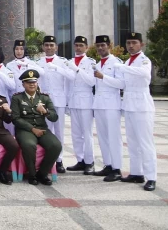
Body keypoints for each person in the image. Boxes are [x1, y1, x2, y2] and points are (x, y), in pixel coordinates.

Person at [114, 32, 157, 191]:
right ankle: (136, 172)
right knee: (132, 141)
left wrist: (123, 67)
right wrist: (103, 77)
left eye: (134, 42)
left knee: (145, 142)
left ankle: (151, 176)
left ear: (141, 44)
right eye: (128, 43)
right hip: (130, 104)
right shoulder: (128, 61)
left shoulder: (144, 60)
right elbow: (122, 83)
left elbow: (145, 74)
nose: (130, 46)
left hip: (142, 106)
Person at [11, 69, 61, 185]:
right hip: (25, 130)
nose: (32, 84)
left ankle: (42, 174)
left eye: (34, 82)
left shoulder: (44, 98)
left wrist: (45, 112)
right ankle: (32, 175)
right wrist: (32, 129)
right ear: (23, 84)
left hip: (42, 128)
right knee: (29, 145)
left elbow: (54, 117)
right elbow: (15, 118)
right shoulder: (17, 98)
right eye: (28, 82)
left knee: (56, 145)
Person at [36, 35, 74, 173]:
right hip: (44, 101)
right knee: (46, 131)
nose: (49, 47)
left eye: (52, 45)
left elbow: (70, 78)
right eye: (46, 45)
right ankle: (48, 159)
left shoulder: (63, 62)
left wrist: (57, 68)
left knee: (59, 131)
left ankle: (59, 159)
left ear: (56, 47)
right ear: (43, 47)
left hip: (59, 100)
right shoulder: (38, 62)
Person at [92, 35, 125, 182]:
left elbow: (121, 84)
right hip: (99, 104)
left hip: (112, 104)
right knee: (103, 137)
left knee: (114, 137)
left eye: (103, 45)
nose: (100, 48)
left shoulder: (116, 63)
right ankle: (108, 164)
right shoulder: (98, 64)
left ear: (109, 46)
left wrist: (103, 76)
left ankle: (117, 168)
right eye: (98, 46)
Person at [65, 36, 96, 175]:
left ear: (86, 47)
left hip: (85, 101)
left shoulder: (90, 62)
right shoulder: (70, 62)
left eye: (81, 45)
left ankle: (90, 162)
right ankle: (80, 160)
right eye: (76, 45)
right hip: (73, 101)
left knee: (87, 134)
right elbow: (67, 83)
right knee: (76, 134)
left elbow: (91, 81)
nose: (78, 47)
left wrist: (77, 70)